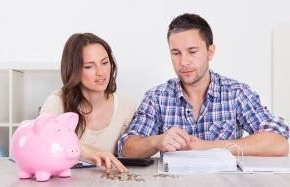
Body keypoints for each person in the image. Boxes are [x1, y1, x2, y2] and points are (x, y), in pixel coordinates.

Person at [118, 13, 289, 158]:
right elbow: (126, 148)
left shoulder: (237, 93)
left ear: (210, 51)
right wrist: (156, 141)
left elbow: (279, 143)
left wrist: (204, 146)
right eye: (176, 53)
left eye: (192, 52)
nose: (184, 62)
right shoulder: (156, 97)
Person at [40, 33, 136, 172]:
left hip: (108, 185)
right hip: (65, 186)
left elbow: (128, 152)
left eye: (104, 63)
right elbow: (40, 141)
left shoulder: (127, 105)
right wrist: (83, 150)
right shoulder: (57, 101)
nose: (101, 72)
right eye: (89, 66)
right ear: (74, 70)